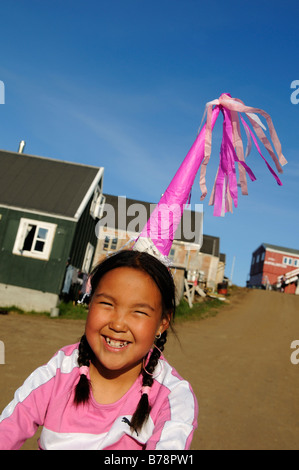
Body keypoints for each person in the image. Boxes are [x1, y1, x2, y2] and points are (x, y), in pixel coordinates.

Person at [0, 250, 198, 450]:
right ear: (90, 302)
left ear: (162, 323)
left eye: (139, 311)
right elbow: (8, 427)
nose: (118, 324)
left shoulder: (173, 397)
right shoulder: (60, 370)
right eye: (106, 303)